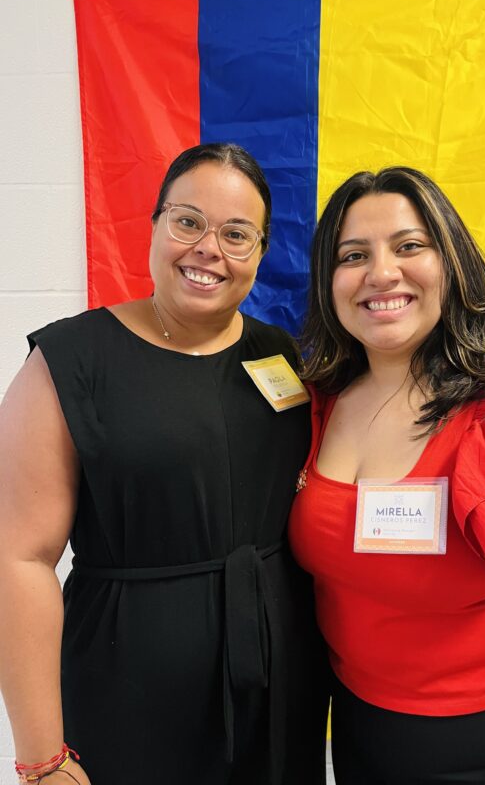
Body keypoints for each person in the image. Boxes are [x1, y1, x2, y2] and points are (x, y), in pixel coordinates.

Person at [0, 143, 328, 785]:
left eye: (237, 234)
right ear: (153, 225)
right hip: (126, 692)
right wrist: (42, 758)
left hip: (277, 687)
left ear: (260, 253)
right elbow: (19, 560)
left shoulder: (282, 355)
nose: (209, 248)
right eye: (188, 222)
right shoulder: (71, 362)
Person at [289, 166, 485, 785]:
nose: (382, 273)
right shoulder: (316, 407)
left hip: (478, 749)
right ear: (329, 282)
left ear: (450, 262)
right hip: (351, 731)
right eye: (354, 255)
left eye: (409, 246)